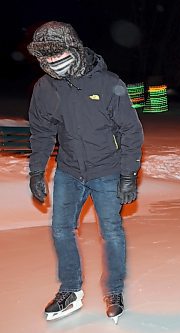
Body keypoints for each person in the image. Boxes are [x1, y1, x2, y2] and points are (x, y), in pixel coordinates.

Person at [27, 21, 144, 324]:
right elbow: (41, 132)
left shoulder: (106, 83)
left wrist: (129, 174)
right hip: (69, 171)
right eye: (47, 58)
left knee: (112, 233)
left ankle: (115, 291)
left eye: (58, 55)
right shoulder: (45, 88)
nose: (53, 62)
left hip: (106, 170)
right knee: (60, 230)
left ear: (74, 49)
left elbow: (131, 131)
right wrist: (36, 171)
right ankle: (70, 291)